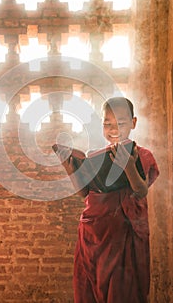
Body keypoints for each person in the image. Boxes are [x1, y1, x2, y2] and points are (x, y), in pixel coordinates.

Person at [67, 97, 159, 303]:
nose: (113, 129)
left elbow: (141, 190)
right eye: (107, 124)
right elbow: (84, 193)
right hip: (93, 232)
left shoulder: (142, 155)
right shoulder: (95, 156)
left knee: (123, 292)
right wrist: (70, 168)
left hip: (123, 234)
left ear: (133, 123)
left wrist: (128, 166)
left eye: (121, 124)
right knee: (88, 289)